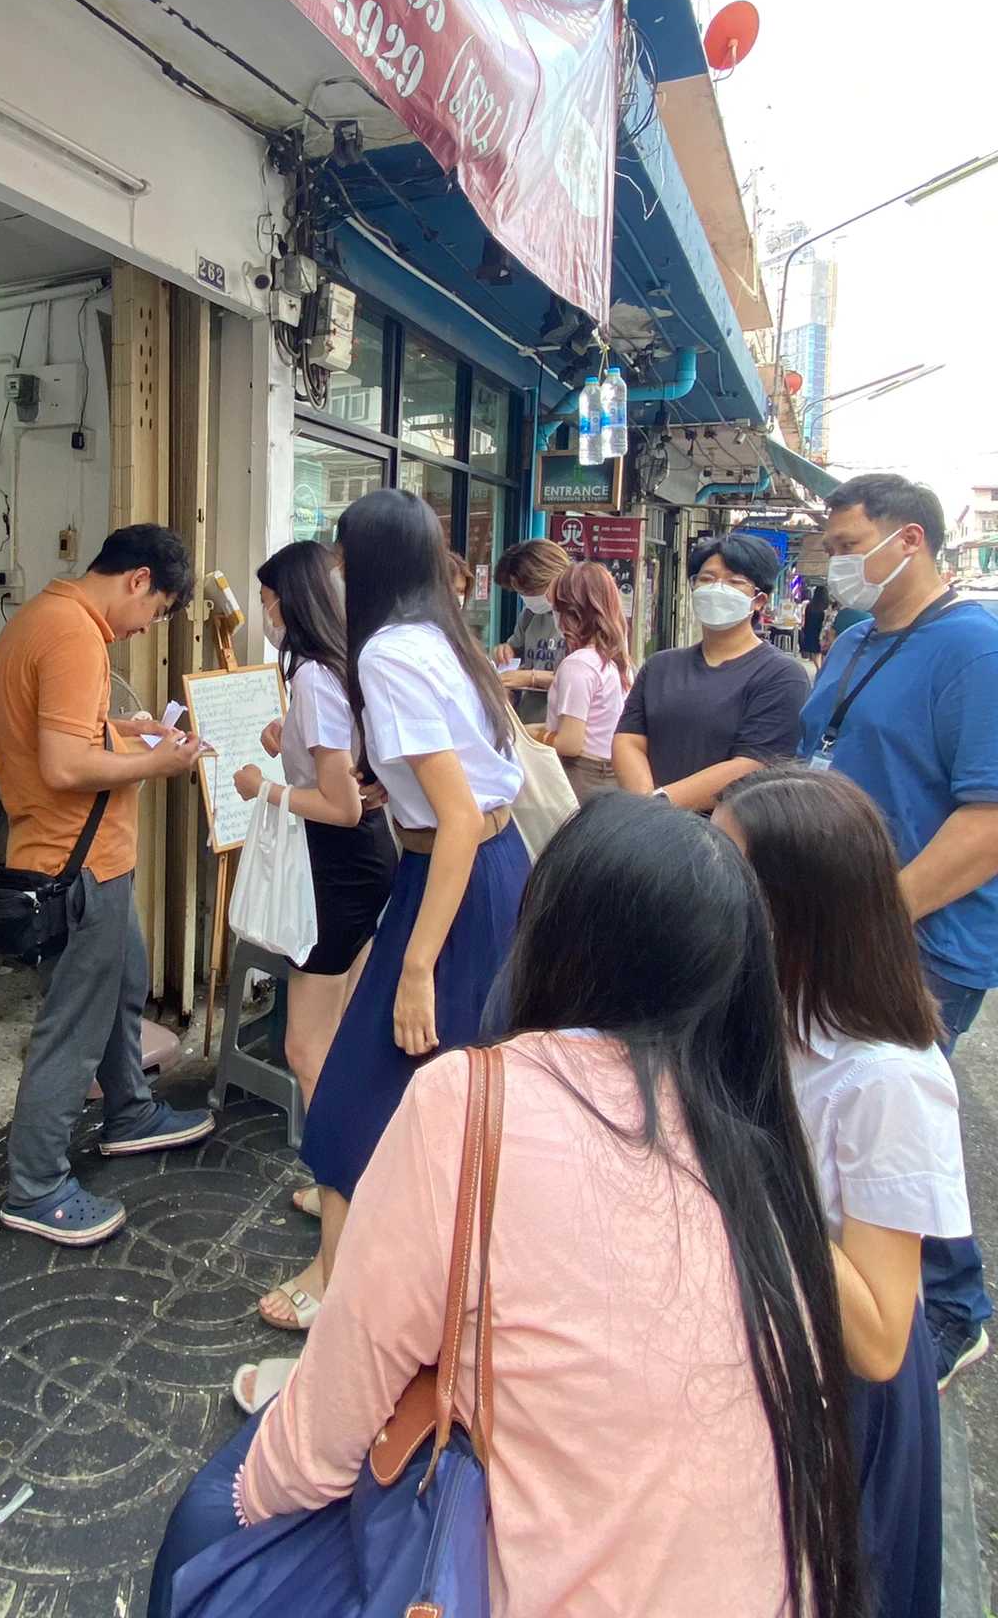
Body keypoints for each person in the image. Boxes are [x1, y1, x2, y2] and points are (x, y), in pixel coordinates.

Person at [152, 795, 866, 1618]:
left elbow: (326, 1427)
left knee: (205, 1527)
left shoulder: (475, 1100)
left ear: (554, 937)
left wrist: (251, 1509)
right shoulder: (760, 1150)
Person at [235, 490, 528, 1409]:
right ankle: (439, 1271)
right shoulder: (440, 639)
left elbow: (452, 818)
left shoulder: (392, 653)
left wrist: (412, 967)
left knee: (364, 1075)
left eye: (342, 563)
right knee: (446, 1078)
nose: (334, 579)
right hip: (477, 868)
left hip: (453, 876)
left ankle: (338, 1282)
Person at [715, 767, 968, 1618]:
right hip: (773, 1371)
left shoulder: (886, 1080)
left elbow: (881, 1334)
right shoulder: (762, 1012)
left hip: (844, 1416)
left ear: (796, 911)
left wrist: (735, 1156)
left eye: (728, 873)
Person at [799, 472, 998, 1388]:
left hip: (920, 940)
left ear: (908, 540)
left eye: (847, 547)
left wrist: (881, 914)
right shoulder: (854, 638)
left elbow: (986, 821)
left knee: (897, 1125)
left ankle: (950, 1314)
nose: (833, 566)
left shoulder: (975, 650)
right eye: (829, 549)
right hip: (830, 921)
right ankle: (872, 1294)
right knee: (861, 1128)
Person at [0, 524, 215, 1248]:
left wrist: (131, 730)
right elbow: (61, 763)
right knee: (75, 1026)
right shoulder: (74, 636)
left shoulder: (45, 618)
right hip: (74, 864)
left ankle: (131, 1113)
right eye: (155, 611)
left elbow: (67, 735)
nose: (145, 627)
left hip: (89, 859)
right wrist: (158, 764)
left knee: (124, 986)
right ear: (138, 580)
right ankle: (36, 1186)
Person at [234, 541, 396, 1333]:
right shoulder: (338, 668)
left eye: (266, 601)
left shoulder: (316, 677)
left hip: (337, 871)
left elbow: (339, 804)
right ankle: (346, 1179)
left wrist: (265, 786)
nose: (262, 615)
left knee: (307, 1048)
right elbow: (346, 774)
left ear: (286, 602)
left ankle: (340, 1231)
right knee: (340, 1045)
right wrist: (286, 742)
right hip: (363, 868)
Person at [612, 530, 809, 809]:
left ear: (759, 600)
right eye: (706, 578)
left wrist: (659, 804)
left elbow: (752, 764)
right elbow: (629, 739)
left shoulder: (781, 675)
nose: (718, 588)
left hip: (728, 835)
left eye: (734, 581)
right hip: (649, 829)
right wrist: (645, 806)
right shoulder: (660, 666)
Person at [536, 558, 630, 803]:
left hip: (580, 774)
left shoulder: (578, 664)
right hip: (609, 772)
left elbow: (569, 743)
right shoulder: (616, 660)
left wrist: (535, 738)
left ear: (573, 611)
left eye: (556, 609)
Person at [491, 537, 569, 722]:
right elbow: (514, 649)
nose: (526, 597)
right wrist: (505, 651)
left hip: (565, 722)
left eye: (530, 591)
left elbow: (583, 680)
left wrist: (530, 678)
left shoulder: (582, 620)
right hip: (529, 718)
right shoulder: (530, 614)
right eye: (520, 592)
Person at [799, 580, 829, 674]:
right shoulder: (825, 607)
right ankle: (820, 670)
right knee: (820, 654)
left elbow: (806, 620)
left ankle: (819, 670)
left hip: (811, 632)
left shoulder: (810, 606)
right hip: (821, 633)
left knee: (816, 654)